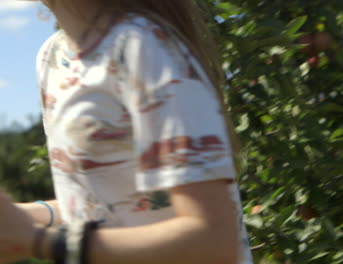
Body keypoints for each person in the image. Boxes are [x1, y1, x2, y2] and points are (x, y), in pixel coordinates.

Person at [0, 0, 253, 263]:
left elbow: (214, 241)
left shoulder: (144, 46)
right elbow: (112, 207)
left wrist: (37, 240)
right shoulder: (53, 57)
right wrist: (21, 219)